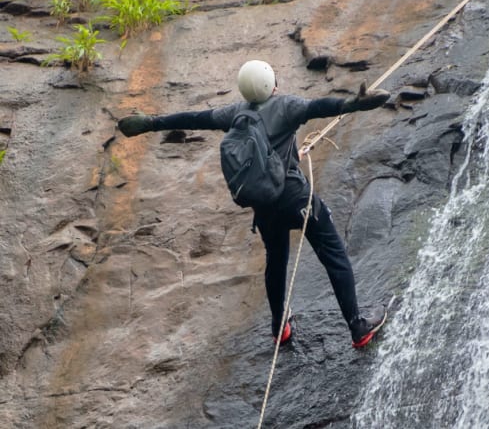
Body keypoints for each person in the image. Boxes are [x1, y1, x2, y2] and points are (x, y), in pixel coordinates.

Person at [117, 60, 390, 348]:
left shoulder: (236, 114)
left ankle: (279, 327)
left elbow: (193, 118)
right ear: (273, 85)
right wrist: (353, 103)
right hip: (295, 197)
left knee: (276, 259)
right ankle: (357, 326)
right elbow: (321, 107)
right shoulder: (286, 105)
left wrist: (151, 123)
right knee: (333, 253)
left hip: (264, 207)